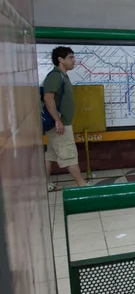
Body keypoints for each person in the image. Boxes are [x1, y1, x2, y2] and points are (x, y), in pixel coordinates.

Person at [43, 46, 88, 191]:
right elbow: (48, 98)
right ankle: (82, 185)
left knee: (50, 155)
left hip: (58, 124)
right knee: (69, 154)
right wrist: (58, 120)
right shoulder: (56, 76)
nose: (74, 60)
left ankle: (44, 185)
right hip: (59, 125)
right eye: (71, 57)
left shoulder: (62, 76)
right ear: (60, 59)